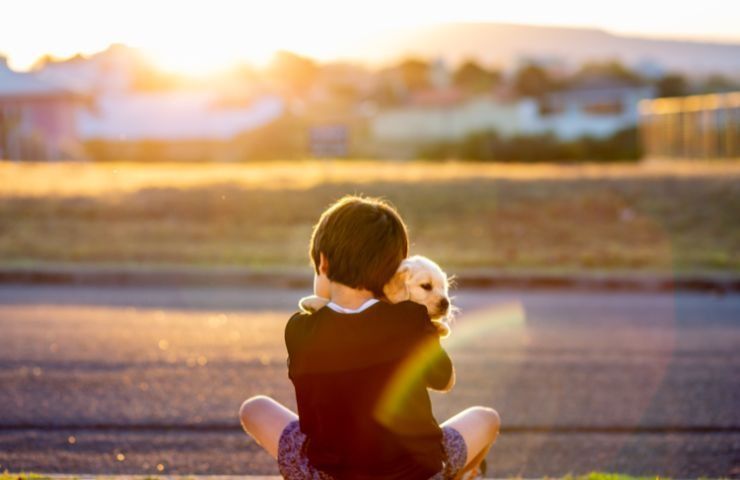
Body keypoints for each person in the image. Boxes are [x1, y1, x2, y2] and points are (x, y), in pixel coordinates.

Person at [239, 195, 500, 480]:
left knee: (254, 409)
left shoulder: (300, 329)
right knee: (487, 418)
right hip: (416, 473)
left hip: (328, 472)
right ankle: (465, 474)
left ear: (323, 263)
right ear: (393, 271)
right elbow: (444, 381)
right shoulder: (411, 322)